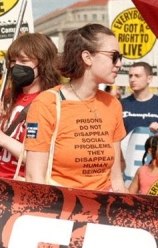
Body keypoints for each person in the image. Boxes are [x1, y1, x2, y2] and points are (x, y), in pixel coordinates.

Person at [25, 23, 127, 192]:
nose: (119, 64)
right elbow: (34, 178)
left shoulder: (113, 104)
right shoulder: (46, 104)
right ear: (87, 57)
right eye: (114, 56)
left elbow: (116, 179)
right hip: (62, 209)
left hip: (103, 211)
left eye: (121, 57)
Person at [0, 32, 61, 179]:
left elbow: (46, 160)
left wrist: (2, 139)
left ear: (43, 65)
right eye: (13, 61)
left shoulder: (53, 102)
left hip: (23, 187)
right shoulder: (7, 96)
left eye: (24, 60)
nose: (16, 66)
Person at [120, 61, 158, 133]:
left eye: (137, 76)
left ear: (149, 79)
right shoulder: (122, 104)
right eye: (130, 76)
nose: (132, 79)